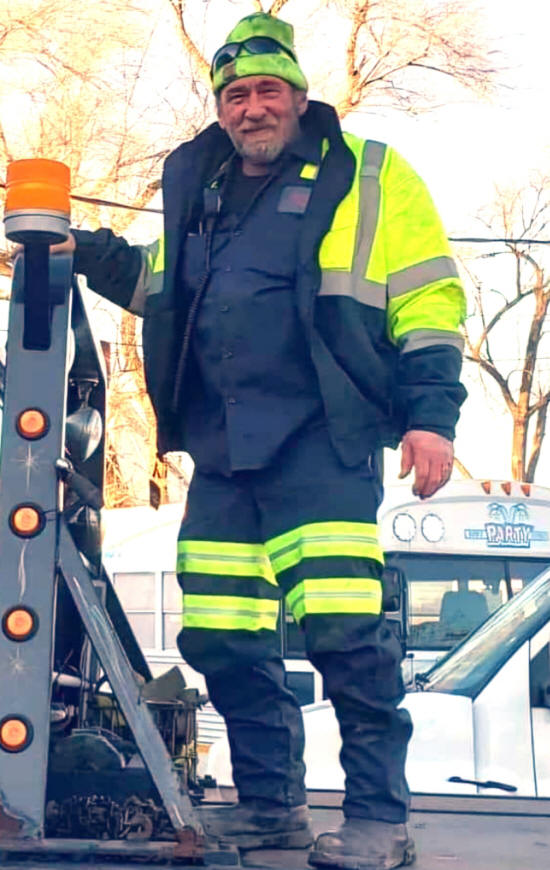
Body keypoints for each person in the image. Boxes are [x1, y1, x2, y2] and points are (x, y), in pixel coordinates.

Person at [56, 12, 467, 870]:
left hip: (323, 446)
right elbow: (160, 288)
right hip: (224, 456)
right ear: (221, 107)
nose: (252, 108)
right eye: (236, 95)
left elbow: (429, 303)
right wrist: (79, 250)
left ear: (299, 96)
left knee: (346, 637)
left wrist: (431, 418)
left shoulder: (371, 176)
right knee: (223, 638)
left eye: (268, 90)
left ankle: (380, 821)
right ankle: (273, 809)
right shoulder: (204, 195)